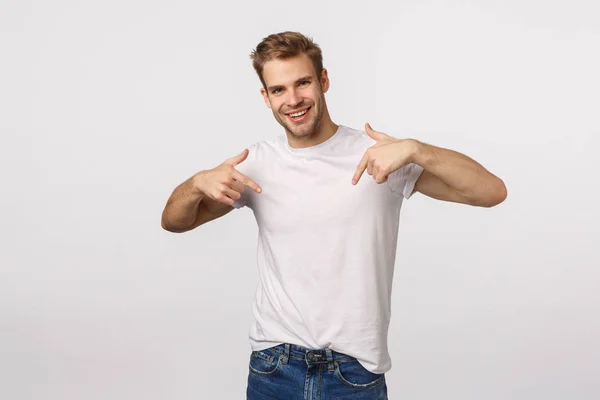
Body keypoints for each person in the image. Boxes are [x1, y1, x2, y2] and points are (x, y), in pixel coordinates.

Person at [161, 31, 507, 400]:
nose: (293, 100)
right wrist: (197, 183)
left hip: (354, 373)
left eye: (303, 82)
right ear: (265, 97)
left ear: (323, 80)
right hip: (274, 367)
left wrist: (416, 150)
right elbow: (175, 220)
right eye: (278, 90)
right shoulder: (258, 163)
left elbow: (491, 192)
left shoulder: (380, 155)